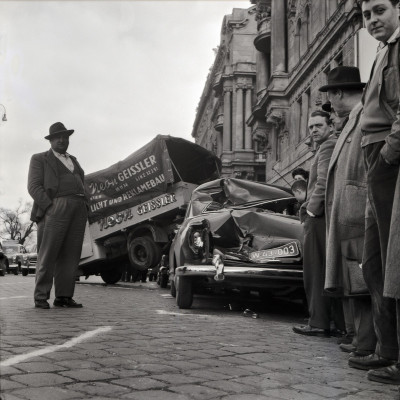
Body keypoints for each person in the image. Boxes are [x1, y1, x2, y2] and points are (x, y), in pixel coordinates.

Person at [347, 0, 400, 384]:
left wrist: (387, 155)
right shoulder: (385, 51)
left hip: (387, 158)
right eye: (366, 15)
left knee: (393, 260)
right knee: (376, 262)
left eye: (379, 10)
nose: (372, 20)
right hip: (376, 157)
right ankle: (388, 350)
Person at [320, 66, 376, 357]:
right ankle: (360, 339)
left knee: (361, 280)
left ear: (338, 93)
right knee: (354, 279)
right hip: (350, 212)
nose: (331, 103)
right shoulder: (353, 119)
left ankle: (367, 343)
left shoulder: (364, 116)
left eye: (331, 95)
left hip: (358, 211)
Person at [292, 110, 345, 337]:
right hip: (322, 217)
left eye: (318, 126)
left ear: (330, 126)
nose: (313, 130)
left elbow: (322, 183)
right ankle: (323, 321)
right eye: (311, 126)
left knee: (315, 271)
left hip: (319, 218)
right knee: (322, 270)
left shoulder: (327, 146)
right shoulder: (325, 146)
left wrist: (311, 211)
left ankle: (319, 322)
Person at [28, 122, 87, 309]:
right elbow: (34, 186)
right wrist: (50, 206)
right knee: (48, 253)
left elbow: (82, 182)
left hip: (78, 208)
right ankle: (41, 297)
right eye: (58, 137)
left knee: (71, 255)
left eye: (65, 137)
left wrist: (86, 205)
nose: (62, 140)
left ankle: (63, 297)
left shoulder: (73, 159)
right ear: (51, 140)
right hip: (56, 207)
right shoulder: (40, 158)